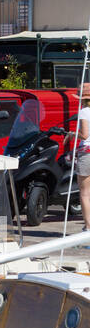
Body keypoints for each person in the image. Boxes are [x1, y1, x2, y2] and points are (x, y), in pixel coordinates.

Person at [76, 83, 90, 231]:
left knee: (85, 193)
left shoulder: (84, 111)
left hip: (87, 153)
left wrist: (72, 134)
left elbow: (85, 135)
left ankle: (88, 227)